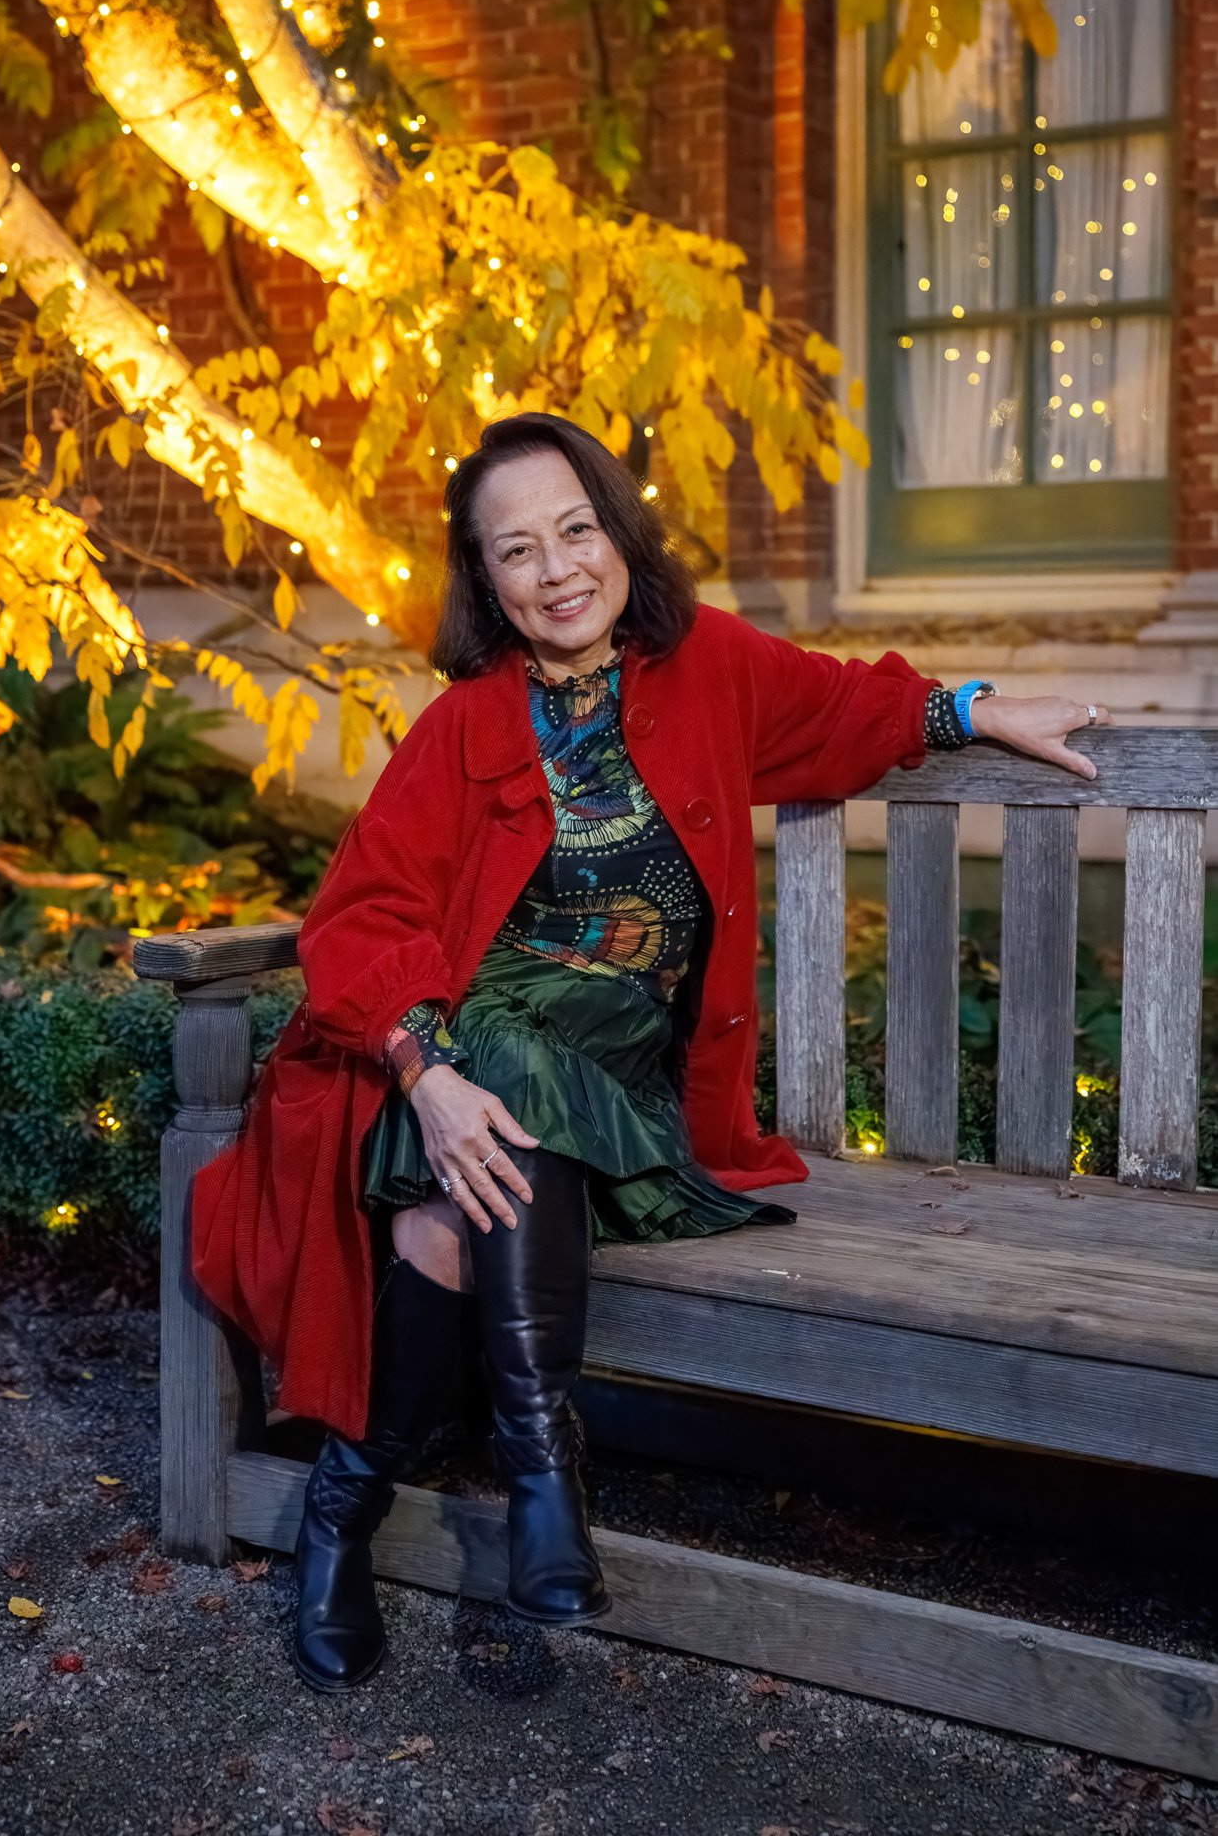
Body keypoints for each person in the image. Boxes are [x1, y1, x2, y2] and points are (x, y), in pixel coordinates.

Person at [188, 411, 1111, 1694]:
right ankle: (525, 1477)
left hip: (622, 1073)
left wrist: (975, 705)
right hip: (463, 1052)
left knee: (455, 1189)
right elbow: (366, 913)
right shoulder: (463, 726)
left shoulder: (705, 666)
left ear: (618, 533)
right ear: (486, 582)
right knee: (451, 1191)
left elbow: (842, 706)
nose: (557, 567)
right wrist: (423, 1068)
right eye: (517, 550)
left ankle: (346, 1510)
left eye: (576, 529)